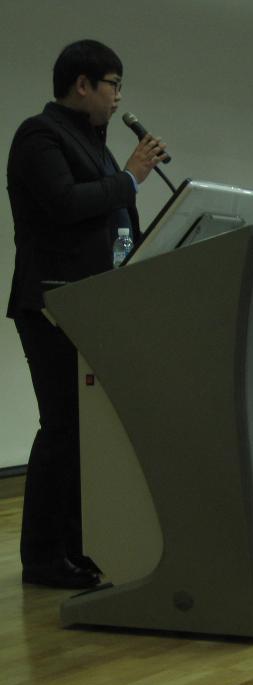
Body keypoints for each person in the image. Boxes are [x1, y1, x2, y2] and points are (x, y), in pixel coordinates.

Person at [7, 39, 167, 588]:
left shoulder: (95, 147)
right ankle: (43, 558)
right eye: (113, 85)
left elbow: (116, 220)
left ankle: (80, 547)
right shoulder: (40, 135)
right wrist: (129, 178)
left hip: (99, 303)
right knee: (63, 427)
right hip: (53, 303)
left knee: (87, 432)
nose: (119, 97)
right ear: (83, 84)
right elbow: (65, 205)